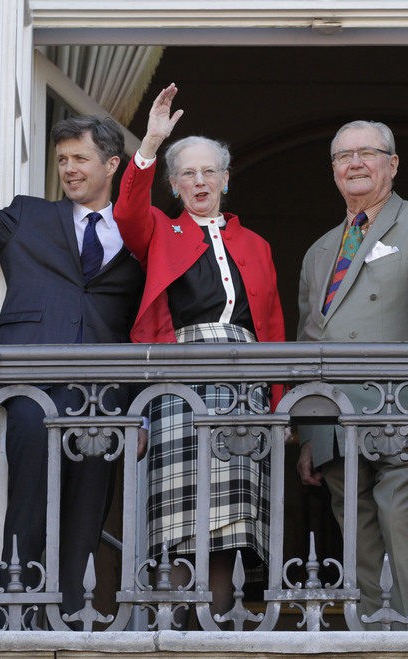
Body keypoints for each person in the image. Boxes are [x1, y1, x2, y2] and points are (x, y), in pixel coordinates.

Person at [0, 77, 144, 619]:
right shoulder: (29, 215)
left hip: (105, 394)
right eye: (62, 160)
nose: (69, 169)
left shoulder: (138, 233)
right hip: (31, 382)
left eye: (80, 158)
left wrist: (142, 409)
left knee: (87, 513)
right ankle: (18, 615)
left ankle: (68, 618)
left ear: (112, 165)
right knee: (29, 505)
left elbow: (149, 321)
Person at [113, 84, 286, 622]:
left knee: (230, 525)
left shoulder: (255, 244)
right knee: (182, 523)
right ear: (174, 184)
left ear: (226, 179)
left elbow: (273, 329)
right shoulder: (161, 232)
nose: (200, 180)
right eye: (187, 173)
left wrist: (280, 407)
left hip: (244, 384)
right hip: (180, 380)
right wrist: (151, 143)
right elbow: (126, 213)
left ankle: (218, 633)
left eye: (210, 171)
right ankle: (178, 632)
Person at [295, 120, 408, 630]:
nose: (355, 163)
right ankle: (372, 637)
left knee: (402, 518)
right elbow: (310, 339)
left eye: (369, 153)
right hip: (338, 415)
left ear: (393, 164)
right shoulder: (320, 248)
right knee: (357, 534)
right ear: (333, 172)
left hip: (405, 404)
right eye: (344, 156)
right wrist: (309, 429)